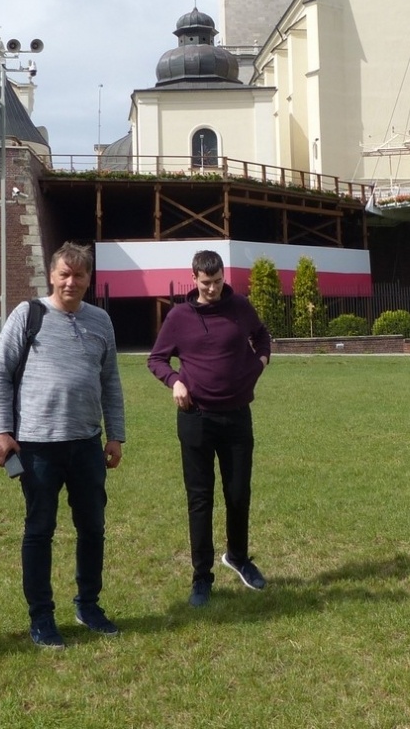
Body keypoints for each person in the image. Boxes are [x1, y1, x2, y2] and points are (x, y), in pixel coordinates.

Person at [0, 241, 125, 648]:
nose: (71, 281)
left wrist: (116, 434)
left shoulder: (101, 321)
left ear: (88, 279)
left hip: (86, 443)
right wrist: (1, 432)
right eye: (64, 273)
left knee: (92, 528)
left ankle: (89, 605)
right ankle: (42, 617)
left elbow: (111, 381)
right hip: (37, 446)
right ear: (51, 275)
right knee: (40, 529)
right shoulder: (28, 316)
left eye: (79, 275)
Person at [147, 250, 272, 607]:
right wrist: (174, 381)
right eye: (207, 283)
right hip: (196, 418)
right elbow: (156, 358)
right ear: (195, 279)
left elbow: (262, 336)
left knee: (238, 493)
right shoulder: (179, 316)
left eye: (218, 281)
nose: (213, 288)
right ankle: (202, 577)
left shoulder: (240, 308)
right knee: (200, 499)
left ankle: (239, 557)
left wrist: (260, 362)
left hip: (236, 416)